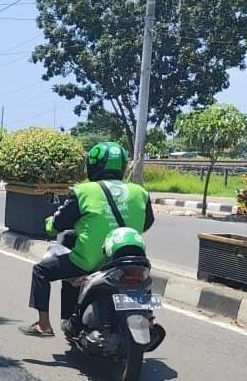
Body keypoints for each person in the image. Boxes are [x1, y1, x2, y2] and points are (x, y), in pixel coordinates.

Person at [19, 142, 154, 337]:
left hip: (89, 262)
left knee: (40, 271)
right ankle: (148, 318)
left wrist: (49, 225)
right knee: (144, 280)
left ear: (93, 165)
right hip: (128, 258)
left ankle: (43, 324)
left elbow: (58, 223)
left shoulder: (83, 191)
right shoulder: (140, 192)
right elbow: (147, 223)